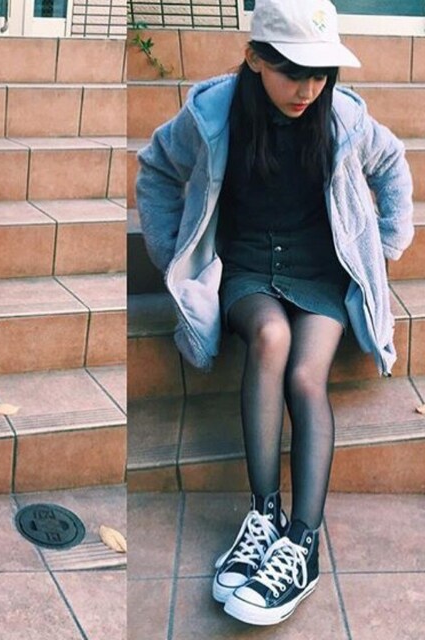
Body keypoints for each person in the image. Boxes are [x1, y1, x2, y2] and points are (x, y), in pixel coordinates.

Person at [136, 0, 413, 627]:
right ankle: (263, 516)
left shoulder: (342, 116)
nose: (307, 89)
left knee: (307, 376)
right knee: (268, 337)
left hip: (321, 273)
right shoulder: (213, 112)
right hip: (249, 269)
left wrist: (384, 247)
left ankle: (302, 543)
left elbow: (392, 165)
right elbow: (155, 168)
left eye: (320, 74)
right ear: (256, 58)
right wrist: (172, 254)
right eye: (293, 72)